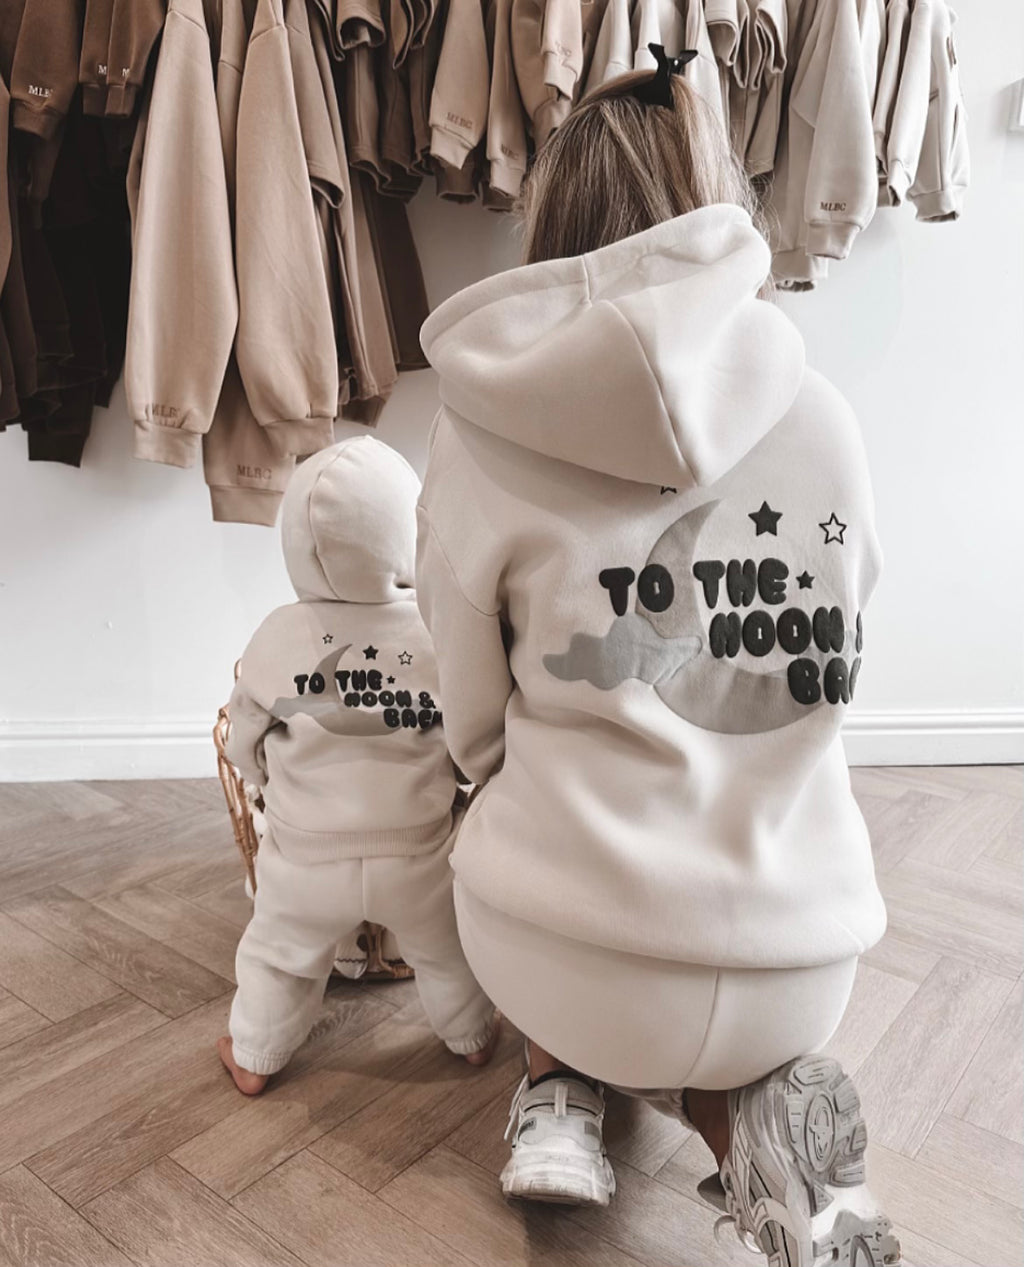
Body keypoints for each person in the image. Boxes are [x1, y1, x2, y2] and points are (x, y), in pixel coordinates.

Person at [415, 46, 900, 1267]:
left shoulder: (476, 434)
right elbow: (839, 660)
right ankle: (749, 1118)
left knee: (506, 805)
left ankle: (560, 1086)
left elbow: (470, 724)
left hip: (570, 941)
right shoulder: (822, 416)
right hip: (798, 949)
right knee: (731, 1025)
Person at [217, 436, 497, 1095]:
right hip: (418, 854)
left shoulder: (276, 636)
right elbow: (465, 745)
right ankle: (472, 1036)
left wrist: (271, 778)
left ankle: (255, 1053)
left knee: (277, 957)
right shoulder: (435, 636)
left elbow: (244, 737)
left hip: (305, 857)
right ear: (411, 539)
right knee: (447, 950)